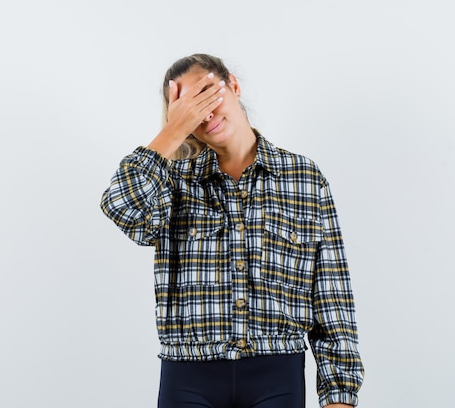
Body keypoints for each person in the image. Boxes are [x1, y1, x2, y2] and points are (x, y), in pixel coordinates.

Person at [100, 54, 364, 408]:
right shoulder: (172, 180)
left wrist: (339, 395)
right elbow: (123, 210)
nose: (205, 114)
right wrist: (172, 132)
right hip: (187, 375)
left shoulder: (303, 177)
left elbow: (331, 294)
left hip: (278, 375)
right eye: (188, 109)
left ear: (234, 85)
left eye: (208, 95)